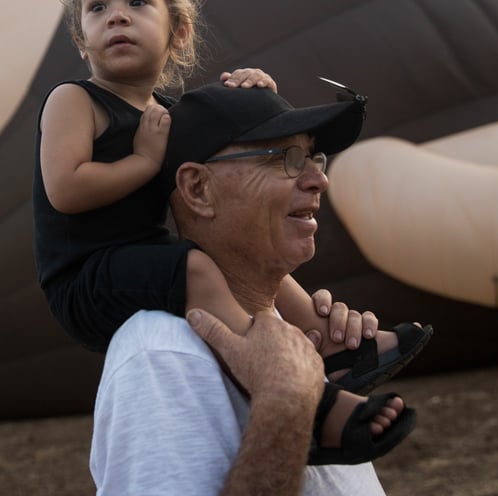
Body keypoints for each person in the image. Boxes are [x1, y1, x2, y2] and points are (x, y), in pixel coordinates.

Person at [34, 0, 428, 387]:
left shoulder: (165, 115)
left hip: (146, 262)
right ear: (82, 40)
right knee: (199, 266)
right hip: (84, 281)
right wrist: (144, 161)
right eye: (97, 7)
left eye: (138, 2)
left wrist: (254, 89)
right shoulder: (74, 100)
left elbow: (225, 165)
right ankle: (273, 373)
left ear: (178, 31)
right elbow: (64, 190)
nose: (116, 15)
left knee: (233, 251)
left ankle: (328, 341)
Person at [91, 83, 421, 494]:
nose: (320, 179)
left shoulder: (290, 334)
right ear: (198, 189)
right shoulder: (161, 354)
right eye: (286, 158)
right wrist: (286, 401)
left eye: (314, 157)